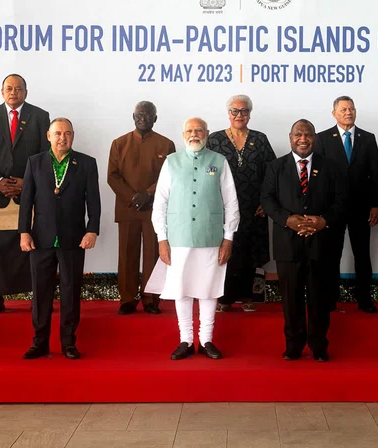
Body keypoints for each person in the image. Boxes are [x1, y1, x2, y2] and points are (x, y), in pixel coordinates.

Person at [148, 117, 239, 360]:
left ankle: (206, 339)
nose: (194, 134)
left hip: (212, 237)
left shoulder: (219, 162)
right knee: (182, 289)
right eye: (189, 130)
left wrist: (228, 237)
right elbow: (160, 204)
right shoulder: (171, 162)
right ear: (183, 134)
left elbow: (231, 201)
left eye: (199, 130)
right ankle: (186, 340)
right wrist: (162, 238)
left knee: (209, 290)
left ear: (207, 133)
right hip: (178, 238)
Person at [261, 119, 345, 362]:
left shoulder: (331, 167)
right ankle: (293, 346)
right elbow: (267, 200)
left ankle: (319, 346)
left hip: (321, 243)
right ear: (290, 137)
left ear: (314, 138)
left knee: (319, 298)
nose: (303, 139)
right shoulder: (276, 167)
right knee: (291, 298)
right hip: (287, 244)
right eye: (298, 134)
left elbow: (341, 201)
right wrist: (288, 220)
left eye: (308, 135)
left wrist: (323, 221)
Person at [18, 118, 101, 360]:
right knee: (40, 292)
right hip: (40, 239)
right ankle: (40, 342)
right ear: (48, 136)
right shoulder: (35, 163)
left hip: (74, 238)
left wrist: (92, 229)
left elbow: (93, 201)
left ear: (73, 136)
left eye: (67, 133)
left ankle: (68, 343)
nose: (62, 138)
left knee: (71, 291)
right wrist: (24, 231)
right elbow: (26, 201)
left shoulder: (86, 163)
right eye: (57, 133)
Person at [0, 74, 50, 314]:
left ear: (26, 92)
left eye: (18, 88)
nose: (13, 92)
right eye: (9, 88)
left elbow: (45, 153)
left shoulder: (40, 116)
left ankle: (37, 298)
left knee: (32, 248)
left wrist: (28, 181)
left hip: (28, 192)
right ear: (2, 91)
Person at [207, 94, 276, 312]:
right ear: (228, 113)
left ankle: (248, 296)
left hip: (254, 207)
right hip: (222, 207)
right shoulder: (215, 140)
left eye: (244, 111)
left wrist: (267, 202)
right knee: (225, 251)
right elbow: (207, 169)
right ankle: (224, 298)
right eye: (235, 111)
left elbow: (272, 173)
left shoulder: (260, 139)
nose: (239, 115)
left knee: (249, 253)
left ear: (249, 114)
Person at [314, 96, 378, 313]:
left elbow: (375, 174)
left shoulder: (368, 138)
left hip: (362, 208)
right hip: (332, 209)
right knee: (331, 255)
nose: (348, 112)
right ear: (334, 113)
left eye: (351, 108)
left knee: (362, 254)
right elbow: (319, 177)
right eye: (343, 109)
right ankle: (330, 300)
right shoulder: (322, 138)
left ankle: (365, 299)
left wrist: (376, 204)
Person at [108, 101, 176, 315]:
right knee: (127, 254)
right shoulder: (119, 143)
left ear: (155, 118)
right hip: (127, 208)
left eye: (148, 114)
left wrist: (148, 194)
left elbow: (170, 175)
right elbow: (113, 176)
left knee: (153, 256)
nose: (143, 117)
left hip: (155, 208)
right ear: (133, 116)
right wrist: (133, 197)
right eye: (139, 114)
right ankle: (127, 299)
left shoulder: (166, 145)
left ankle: (151, 299)